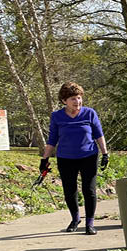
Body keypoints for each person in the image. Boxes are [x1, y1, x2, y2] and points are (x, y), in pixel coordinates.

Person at [40, 82, 109, 235]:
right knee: (69, 190)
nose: (77, 102)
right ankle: (75, 218)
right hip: (66, 158)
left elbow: (98, 134)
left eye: (79, 98)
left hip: (88, 156)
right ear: (64, 101)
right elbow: (52, 139)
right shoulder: (57, 116)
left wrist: (105, 153)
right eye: (73, 99)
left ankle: (90, 223)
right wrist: (44, 159)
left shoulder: (89, 113)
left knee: (89, 190)